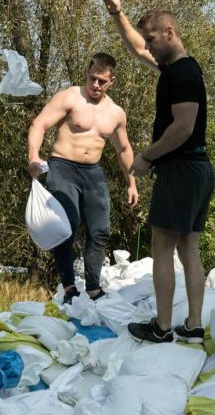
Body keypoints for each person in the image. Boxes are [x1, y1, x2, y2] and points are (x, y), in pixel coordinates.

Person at [101, 0, 215, 344]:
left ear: (170, 33)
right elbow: (136, 48)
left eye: (153, 39)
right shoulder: (176, 68)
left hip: (181, 169)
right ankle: (193, 325)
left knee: (162, 247)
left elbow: (183, 126)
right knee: (188, 248)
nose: (148, 47)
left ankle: (163, 327)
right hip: (197, 169)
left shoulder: (181, 74)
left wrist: (147, 156)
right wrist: (118, 13)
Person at [27, 53, 138, 304]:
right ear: (86, 75)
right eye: (92, 79)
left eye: (101, 81)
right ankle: (68, 287)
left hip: (92, 171)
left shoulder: (116, 113)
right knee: (67, 226)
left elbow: (123, 149)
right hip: (63, 166)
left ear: (112, 81)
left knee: (101, 231)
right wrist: (34, 156)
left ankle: (94, 288)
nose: (95, 85)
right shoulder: (69, 97)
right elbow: (39, 124)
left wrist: (132, 183)